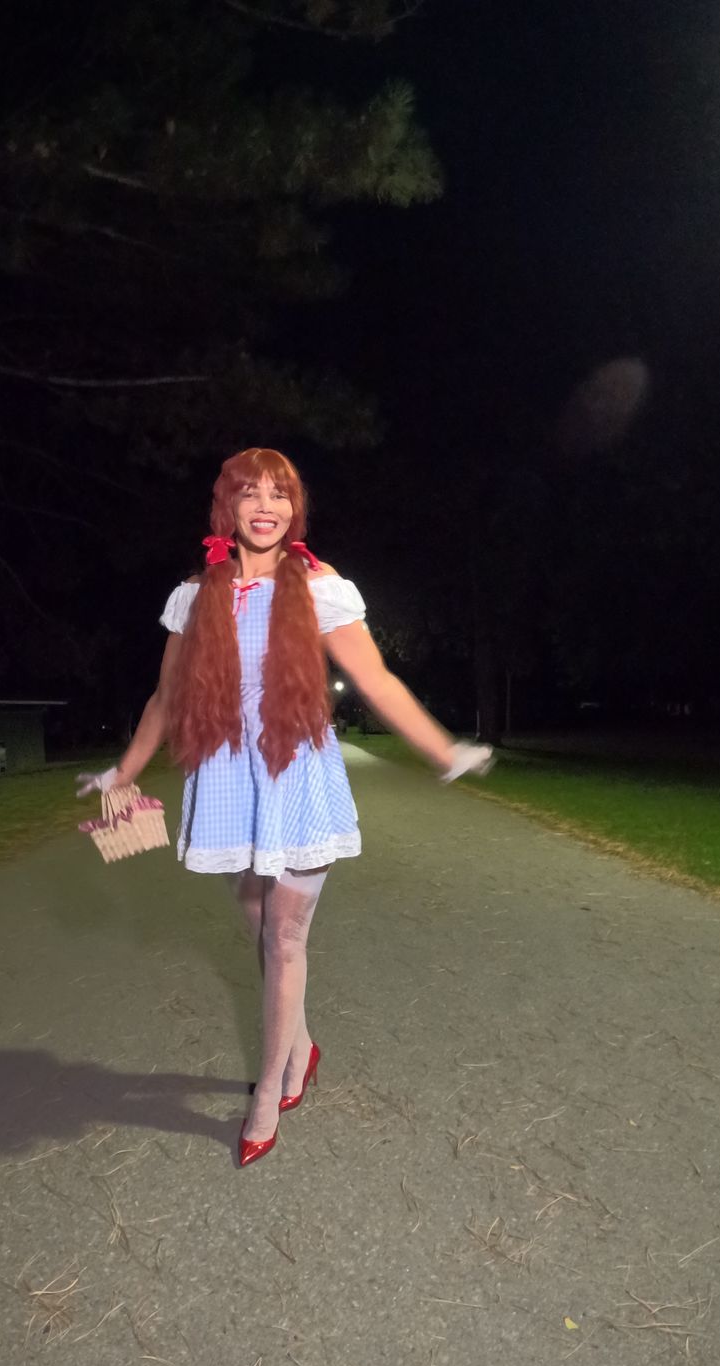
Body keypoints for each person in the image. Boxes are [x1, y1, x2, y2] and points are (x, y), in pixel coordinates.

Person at [78, 448, 495, 1167]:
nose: (265, 506)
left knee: (286, 938)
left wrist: (442, 750)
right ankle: (302, 1046)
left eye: (280, 493)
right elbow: (166, 697)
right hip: (227, 778)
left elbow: (377, 680)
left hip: (296, 773)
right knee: (259, 927)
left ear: (294, 508)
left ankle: (270, 1089)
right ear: (227, 507)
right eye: (251, 493)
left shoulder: (320, 587)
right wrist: (125, 771)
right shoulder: (195, 595)